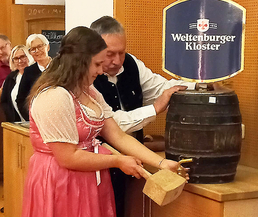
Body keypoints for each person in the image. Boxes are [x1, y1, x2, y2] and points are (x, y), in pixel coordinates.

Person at [21, 26, 188, 217]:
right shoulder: (54, 96)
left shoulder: (89, 91)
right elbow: (67, 157)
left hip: (89, 177)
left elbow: (117, 135)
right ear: (79, 62)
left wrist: (161, 162)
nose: (101, 71)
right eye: (97, 64)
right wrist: (117, 160)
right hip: (60, 180)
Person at [90, 16, 195, 216]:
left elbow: (162, 87)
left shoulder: (131, 64)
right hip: (98, 169)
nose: (118, 61)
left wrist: (199, 86)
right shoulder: (86, 80)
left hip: (131, 163)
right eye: (110, 54)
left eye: (122, 52)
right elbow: (112, 125)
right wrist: (154, 109)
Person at [16, 34, 51, 121]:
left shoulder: (60, 67)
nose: (37, 51)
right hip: (37, 120)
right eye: (33, 49)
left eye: (40, 46)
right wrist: (31, 119)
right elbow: (21, 100)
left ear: (48, 47)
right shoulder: (29, 71)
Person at [1, 45, 34, 122]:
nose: (20, 61)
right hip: (17, 123)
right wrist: (11, 116)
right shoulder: (11, 77)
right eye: (16, 58)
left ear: (29, 56)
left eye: (23, 57)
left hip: (34, 122)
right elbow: (4, 100)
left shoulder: (35, 75)